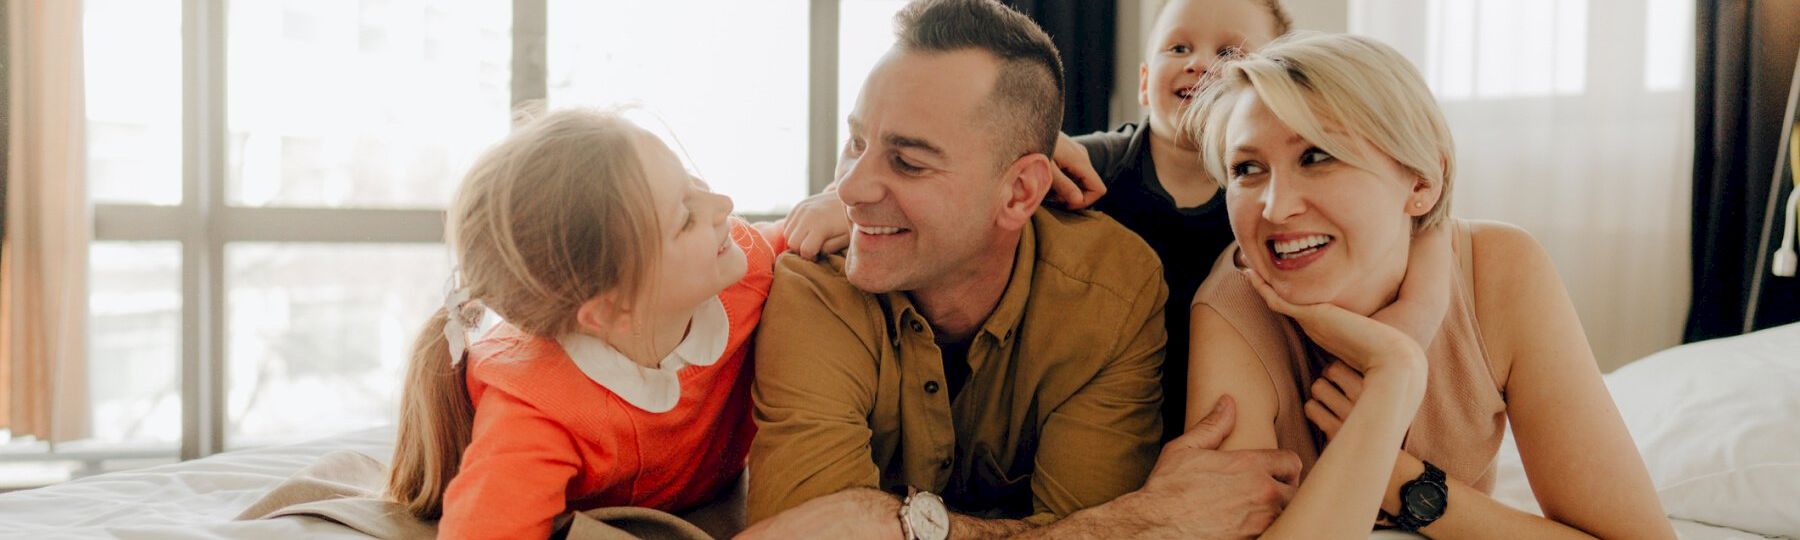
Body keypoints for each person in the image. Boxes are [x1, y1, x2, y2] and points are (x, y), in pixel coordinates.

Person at [742, 1, 1301, 538]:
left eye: (908, 161)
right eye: (856, 142)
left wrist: (887, 527)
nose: (851, 189)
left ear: (1022, 191)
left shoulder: (1113, 287)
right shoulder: (816, 282)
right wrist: (1145, 522)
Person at [1184, 32, 1677, 538]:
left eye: (1317, 156)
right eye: (1247, 169)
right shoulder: (1232, 308)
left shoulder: (1500, 271)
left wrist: (1402, 481)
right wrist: (1394, 370)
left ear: (1421, 183)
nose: (1275, 206)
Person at [385, 108, 787, 539]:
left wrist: (833, 212)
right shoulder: (538, 411)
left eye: (691, 181)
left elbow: (799, 236)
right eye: (685, 217)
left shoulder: (744, 269)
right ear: (608, 309)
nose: (723, 204)